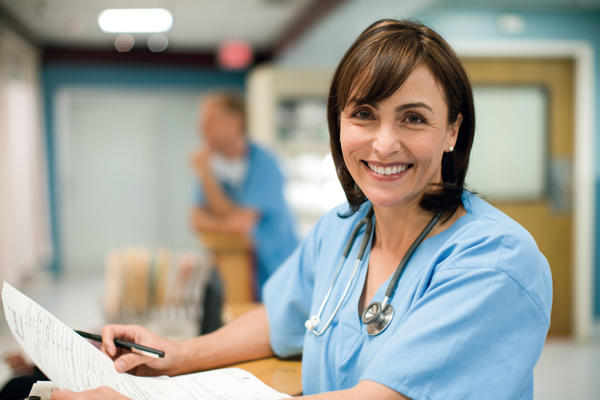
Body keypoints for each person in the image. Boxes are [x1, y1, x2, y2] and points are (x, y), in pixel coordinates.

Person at [51, 19, 552, 400]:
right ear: (338, 123)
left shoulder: (496, 262)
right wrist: (176, 356)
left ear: (453, 131)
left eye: (413, 118)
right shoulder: (343, 230)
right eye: (363, 114)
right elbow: (282, 319)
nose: (383, 143)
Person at [189, 91, 298, 297]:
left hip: (275, 271)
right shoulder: (210, 165)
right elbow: (195, 220)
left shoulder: (265, 164)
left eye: (210, 121)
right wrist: (231, 221)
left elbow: (240, 225)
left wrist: (205, 177)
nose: (201, 128)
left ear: (234, 122)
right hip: (236, 276)